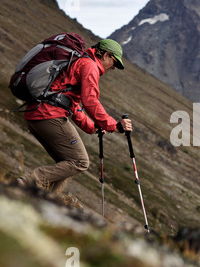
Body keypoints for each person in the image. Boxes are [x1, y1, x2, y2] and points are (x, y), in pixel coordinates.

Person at [18, 39, 132, 195]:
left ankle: (48, 201)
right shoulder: (90, 66)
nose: (113, 67)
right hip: (49, 115)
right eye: (114, 62)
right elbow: (90, 101)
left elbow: (73, 105)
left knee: (66, 166)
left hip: (36, 114)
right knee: (80, 162)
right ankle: (26, 182)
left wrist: (93, 126)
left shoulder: (79, 61)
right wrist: (114, 125)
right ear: (106, 55)